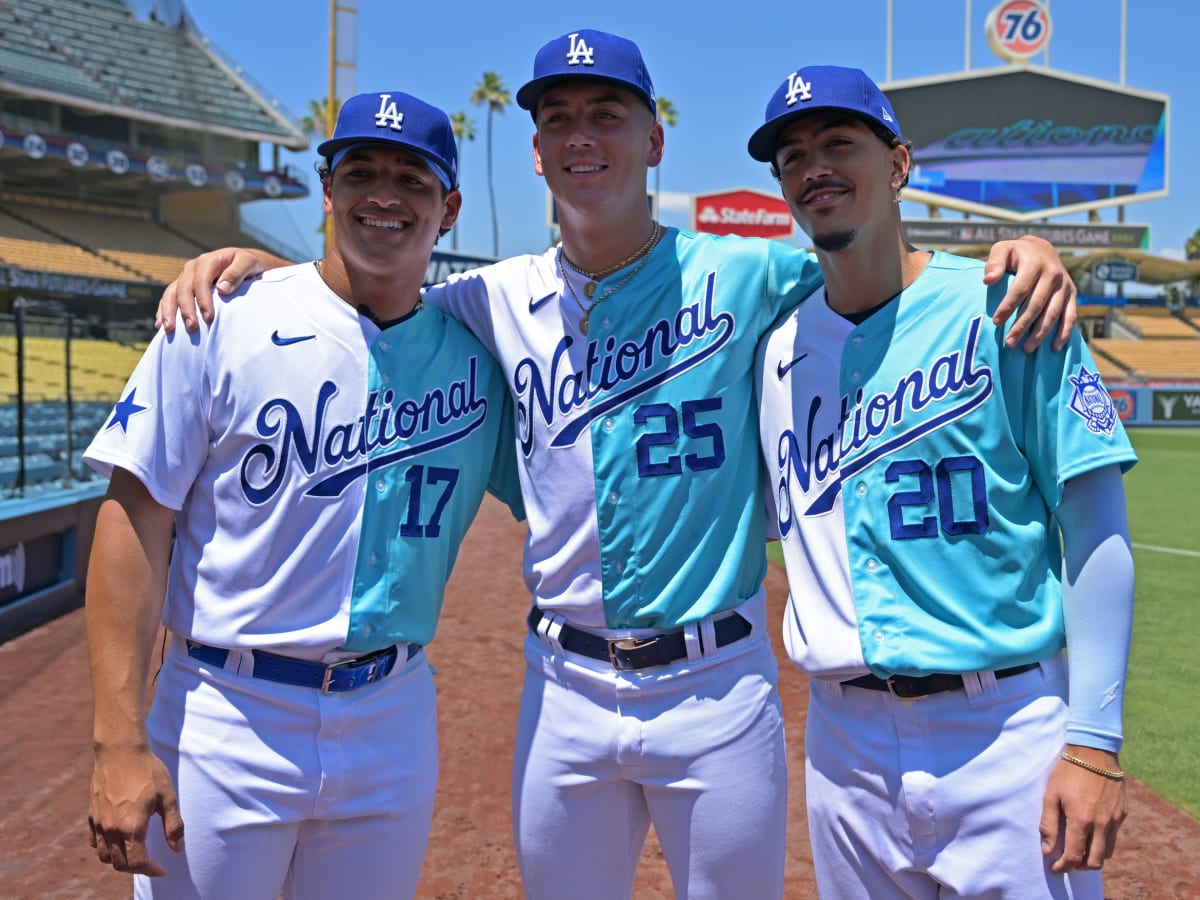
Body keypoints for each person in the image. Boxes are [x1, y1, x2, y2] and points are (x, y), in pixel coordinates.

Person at [153, 30, 1080, 899]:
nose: (580, 136)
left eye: (606, 114)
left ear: (654, 139)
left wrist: (1022, 255)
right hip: (564, 687)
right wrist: (251, 270)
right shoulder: (486, 302)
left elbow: (883, 267)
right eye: (557, 117)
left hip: (717, 681)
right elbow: (366, 281)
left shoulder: (750, 275)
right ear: (535, 151)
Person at [83, 89, 523, 899]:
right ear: (328, 192)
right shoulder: (220, 319)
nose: (384, 194)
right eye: (360, 172)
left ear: (450, 207)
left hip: (390, 715)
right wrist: (116, 741)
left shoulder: (477, 359)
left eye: (412, 179)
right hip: (225, 713)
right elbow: (134, 517)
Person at [749, 65, 1136, 898]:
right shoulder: (774, 350)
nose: (813, 165)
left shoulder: (1009, 306)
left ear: (898, 165)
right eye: (792, 155)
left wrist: (1095, 740)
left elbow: (1095, 519)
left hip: (1006, 732)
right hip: (843, 743)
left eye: (838, 142)